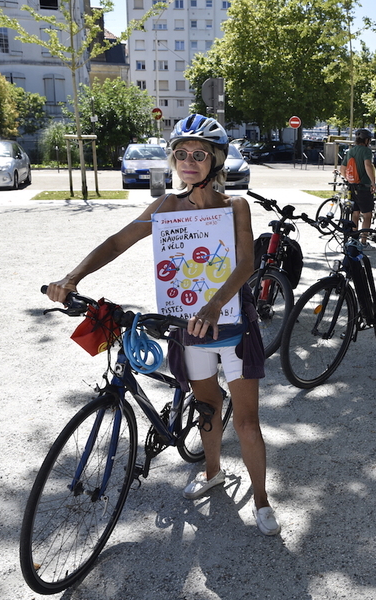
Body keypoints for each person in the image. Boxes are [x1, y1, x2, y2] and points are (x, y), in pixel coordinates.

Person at [44, 114, 280, 536]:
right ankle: (212, 473)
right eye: (181, 154)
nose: (189, 162)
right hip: (190, 330)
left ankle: (261, 500)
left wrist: (214, 304)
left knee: (246, 422)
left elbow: (246, 262)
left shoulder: (234, 206)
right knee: (208, 407)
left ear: (216, 161)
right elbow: (117, 241)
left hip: (232, 330)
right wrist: (72, 278)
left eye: (199, 155)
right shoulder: (166, 207)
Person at [340, 128, 376, 245]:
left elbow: (343, 169)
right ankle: (364, 241)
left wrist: (350, 179)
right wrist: (373, 182)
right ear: (366, 140)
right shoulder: (366, 151)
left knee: (355, 213)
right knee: (367, 215)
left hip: (352, 187)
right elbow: (367, 165)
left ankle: (354, 239)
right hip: (363, 187)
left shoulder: (351, 151)